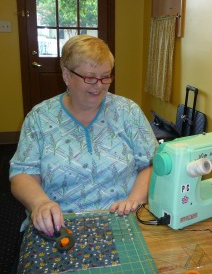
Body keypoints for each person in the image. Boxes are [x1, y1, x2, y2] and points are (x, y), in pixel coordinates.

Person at [9, 35, 158, 238]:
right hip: (59, 224)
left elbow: (151, 163)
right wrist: (40, 203)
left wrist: (135, 199)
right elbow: (22, 173)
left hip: (123, 219)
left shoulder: (128, 111)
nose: (99, 86)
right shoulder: (39, 117)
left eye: (106, 76)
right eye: (90, 77)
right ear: (66, 75)